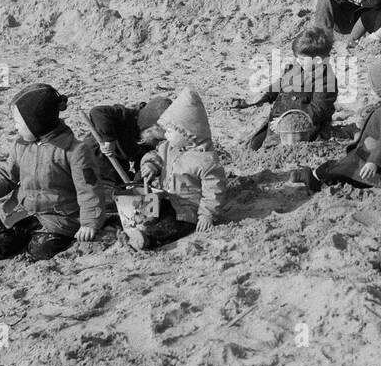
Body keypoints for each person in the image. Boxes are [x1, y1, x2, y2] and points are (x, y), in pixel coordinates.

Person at [0, 84, 103, 260]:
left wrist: (90, 223)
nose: (15, 127)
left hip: (59, 220)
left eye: (18, 122)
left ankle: (27, 246)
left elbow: (89, 189)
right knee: (0, 244)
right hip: (23, 211)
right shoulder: (21, 145)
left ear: (36, 122)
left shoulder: (74, 151)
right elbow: (7, 175)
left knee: (43, 249)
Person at [295, 48, 381, 192]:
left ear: (379, 85)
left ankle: (315, 178)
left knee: (344, 168)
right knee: (348, 162)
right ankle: (318, 175)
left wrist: (375, 162)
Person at [127, 88, 226, 250]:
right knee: (145, 210)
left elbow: (214, 192)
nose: (166, 135)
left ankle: (149, 239)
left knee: (172, 226)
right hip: (165, 198)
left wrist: (207, 215)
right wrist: (151, 164)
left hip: (187, 210)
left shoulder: (206, 161)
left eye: (170, 131)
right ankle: (137, 225)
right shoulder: (170, 146)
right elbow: (155, 155)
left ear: (187, 133)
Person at [232, 25, 339, 150]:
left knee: (277, 150)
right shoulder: (296, 69)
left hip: (302, 129)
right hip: (277, 120)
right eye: (297, 58)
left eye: (302, 59)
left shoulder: (326, 80)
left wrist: (287, 121)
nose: (298, 62)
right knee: (253, 145)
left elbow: (318, 111)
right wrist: (263, 96)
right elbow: (281, 84)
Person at [85, 96, 173, 192]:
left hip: (116, 169)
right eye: (156, 138)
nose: (157, 142)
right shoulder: (126, 116)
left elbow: (141, 163)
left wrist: (136, 182)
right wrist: (109, 141)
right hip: (93, 157)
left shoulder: (147, 142)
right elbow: (97, 112)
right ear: (152, 127)